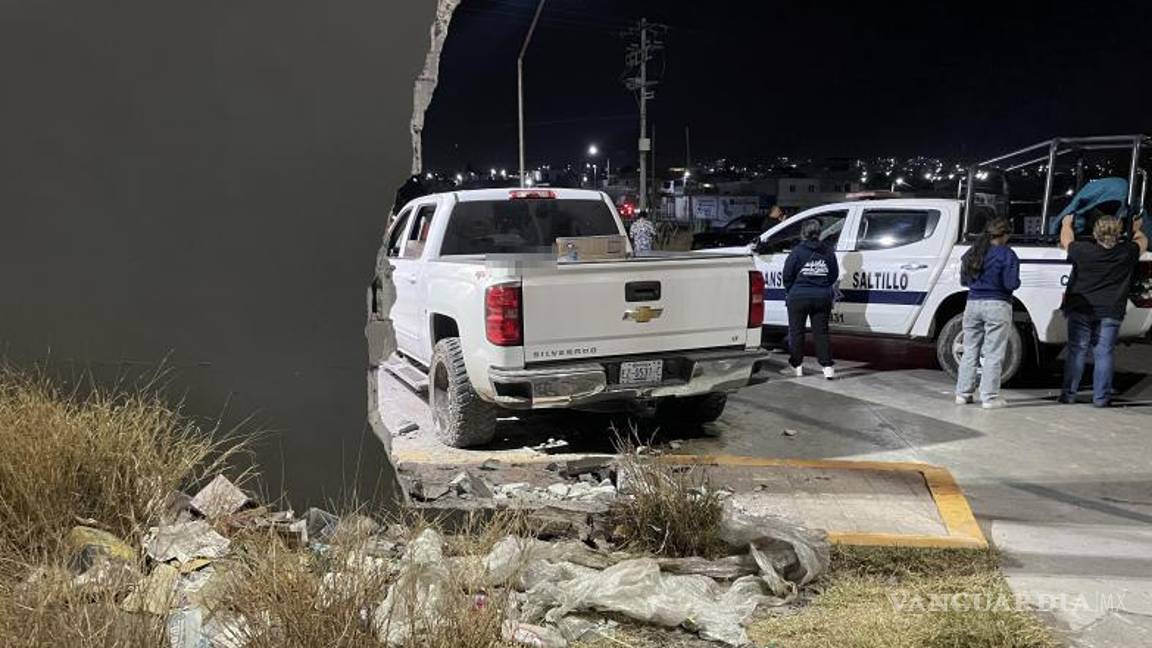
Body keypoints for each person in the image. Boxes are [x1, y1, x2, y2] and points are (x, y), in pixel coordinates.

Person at [1059, 211, 1148, 407]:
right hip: (1111, 310)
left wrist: (1067, 224)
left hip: (1081, 308)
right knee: (1104, 353)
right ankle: (1100, 398)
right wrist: (1135, 229)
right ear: (1118, 233)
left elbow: (1066, 240)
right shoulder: (1127, 252)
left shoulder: (1083, 250)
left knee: (1077, 351)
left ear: (1095, 233)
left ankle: (1068, 394)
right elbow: (1143, 241)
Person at [954, 217, 1020, 409]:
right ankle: (989, 398)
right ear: (1005, 235)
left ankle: (962, 394)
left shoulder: (972, 252)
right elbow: (1011, 284)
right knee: (993, 353)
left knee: (970, 350)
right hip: (997, 305)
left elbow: (964, 282)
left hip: (972, 304)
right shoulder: (1007, 254)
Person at [781, 219, 839, 379]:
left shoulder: (797, 252)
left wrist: (792, 290)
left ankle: (797, 365)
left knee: (796, 332)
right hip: (822, 297)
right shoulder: (828, 252)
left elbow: (787, 275)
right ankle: (827, 367)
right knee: (821, 332)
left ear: (803, 233)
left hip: (798, 297)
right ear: (819, 233)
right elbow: (833, 274)